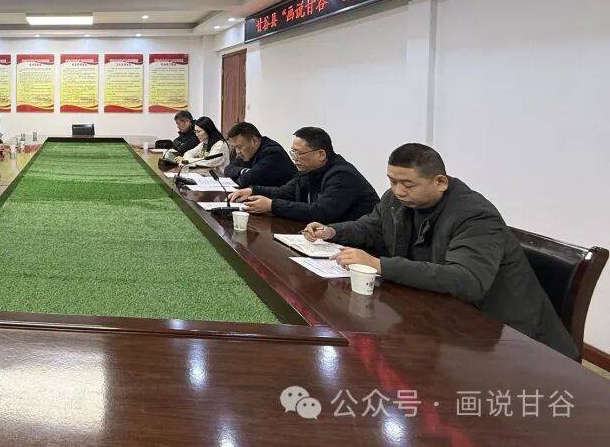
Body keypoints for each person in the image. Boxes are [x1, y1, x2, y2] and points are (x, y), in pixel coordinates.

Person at [303, 143, 578, 359]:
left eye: (408, 184)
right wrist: (333, 231)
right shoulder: (396, 201)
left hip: (511, 340)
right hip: (444, 316)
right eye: (392, 181)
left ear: (440, 182)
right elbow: (372, 226)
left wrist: (380, 265)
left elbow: (467, 280)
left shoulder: (475, 216)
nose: (398, 191)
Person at [230, 127, 378, 224]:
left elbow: (320, 212)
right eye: (293, 152)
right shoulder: (311, 170)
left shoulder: (342, 175)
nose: (294, 158)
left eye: (299, 153)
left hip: (361, 247)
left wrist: (272, 205)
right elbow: (285, 191)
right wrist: (252, 191)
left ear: (321, 154)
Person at [223, 122, 297, 188]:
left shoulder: (273, 153)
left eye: (239, 147)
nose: (237, 152)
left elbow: (244, 181)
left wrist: (240, 176)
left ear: (254, 141)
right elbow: (227, 170)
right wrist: (244, 171)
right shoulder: (247, 153)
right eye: (235, 147)